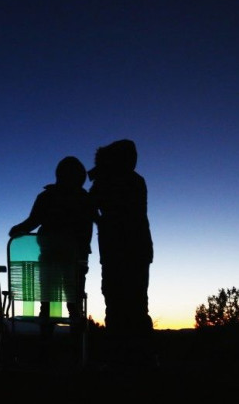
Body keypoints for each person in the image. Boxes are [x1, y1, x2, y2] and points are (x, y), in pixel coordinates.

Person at [9, 156, 96, 338]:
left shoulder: (47, 197)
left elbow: (32, 222)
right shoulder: (83, 199)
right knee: (74, 304)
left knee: (46, 304)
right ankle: (77, 349)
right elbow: (87, 231)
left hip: (49, 258)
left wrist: (17, 229)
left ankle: (45, 347)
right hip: (75, 262)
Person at [88, 139, 156, 369]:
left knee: (121, 304)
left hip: (121, 250)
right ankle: (136, 358)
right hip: (132, 250)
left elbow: (92, 205)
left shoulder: (115, 181)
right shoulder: (133, 181)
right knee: (132, 304)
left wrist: (101, 222)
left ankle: (126, 357)